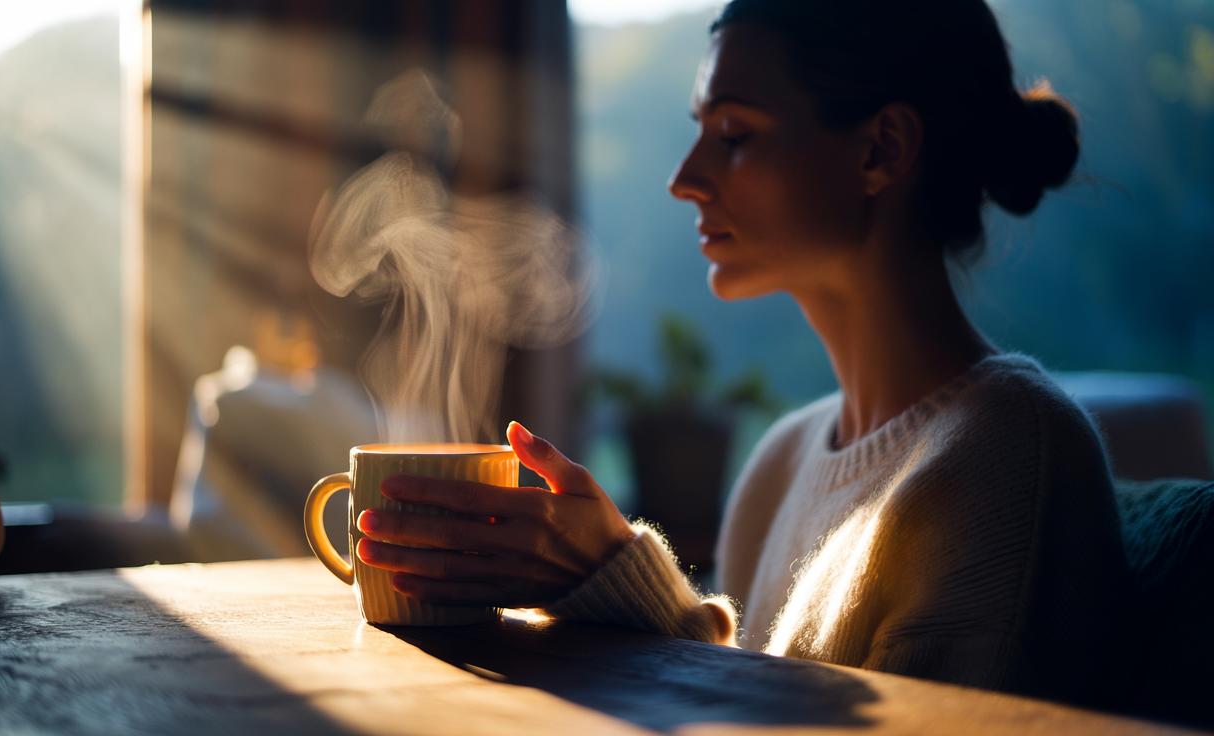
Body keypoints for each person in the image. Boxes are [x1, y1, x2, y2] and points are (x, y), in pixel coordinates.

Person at [350, 0, 1132, 709]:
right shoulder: (781, 462)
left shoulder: (1008, 453)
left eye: (734, 135)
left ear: (881, 150)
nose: (684, 179)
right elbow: (739, 710)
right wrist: (611, 574)